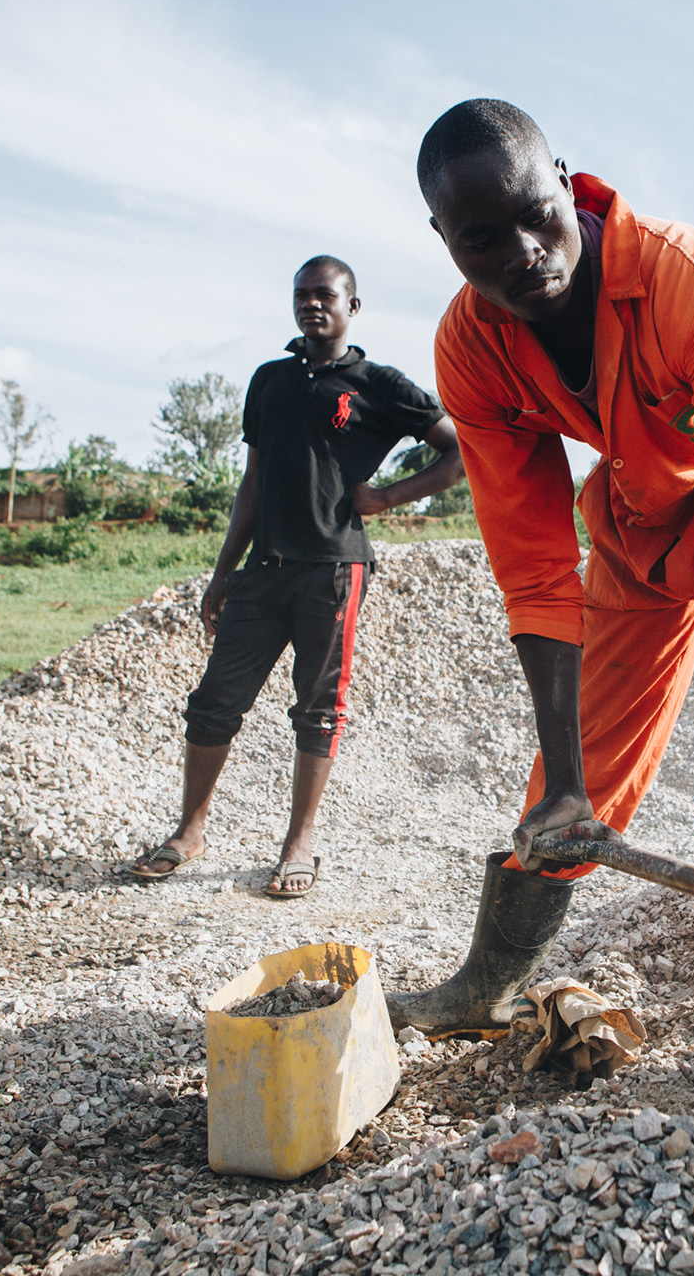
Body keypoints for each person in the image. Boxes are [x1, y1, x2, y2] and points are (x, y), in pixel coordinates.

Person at [387, 101, 694, 1120]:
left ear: (567, 182)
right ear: (442, 242)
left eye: (535, 216)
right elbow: (538, 567)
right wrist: (570, 789)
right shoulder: (471, 348)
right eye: (479, 240)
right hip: (643, 498)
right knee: (575, 758)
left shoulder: (685, 280)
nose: (521, 253)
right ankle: (485, 981)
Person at [127, 255, 464, 898]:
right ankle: (189, 831)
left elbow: (457, 452)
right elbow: (252, 483)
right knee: (214, 702)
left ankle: (298, 844)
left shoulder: (379, 384)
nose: (313, 304)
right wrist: (223, 572)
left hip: (334, 571)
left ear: (351, 307)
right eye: (302, 295)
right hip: (265, 570)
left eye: (326, 295)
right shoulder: (269, 381)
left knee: (317, 710)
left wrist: (387, 498)